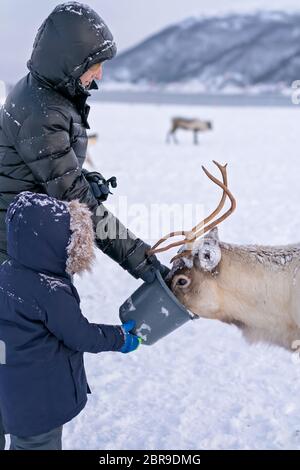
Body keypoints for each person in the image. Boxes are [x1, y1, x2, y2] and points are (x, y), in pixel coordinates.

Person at [0, 2, 168, 450]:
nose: (98, 77)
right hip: (14, 255)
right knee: (29, 378)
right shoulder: (43, 111)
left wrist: (79, 178)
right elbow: (79, 206)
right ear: (68, 62)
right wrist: (145, 262)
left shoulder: (46, 94)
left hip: (19, 246)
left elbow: (47, 173)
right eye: (93, 67)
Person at [0, 191, 141, 450]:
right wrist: (119, 337)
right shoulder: (49, 290)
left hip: (10, 388)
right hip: (40, 401)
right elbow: (79, 334)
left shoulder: (7, 271)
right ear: (52, 242)